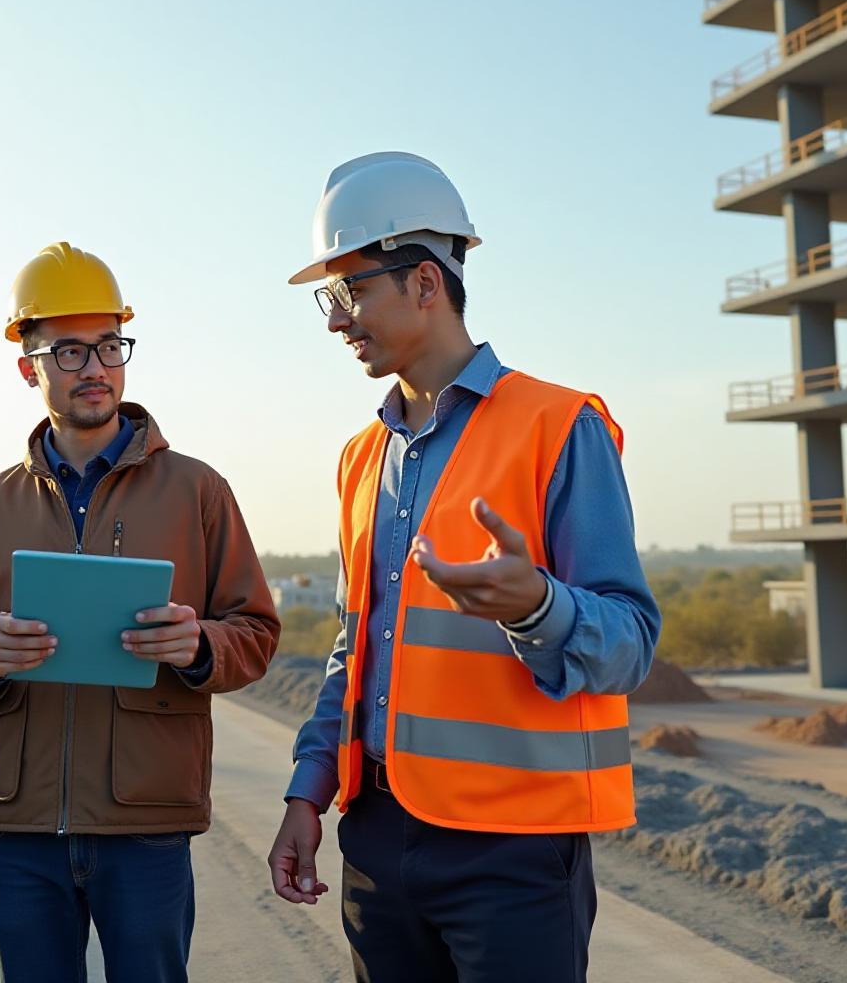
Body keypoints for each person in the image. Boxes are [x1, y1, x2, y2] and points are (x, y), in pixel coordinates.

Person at [265, 152, 662, 982]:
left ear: (424, 283)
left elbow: (630, 643)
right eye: (327, 300)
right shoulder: (360, 459)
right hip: (375, 837)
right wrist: (309, 792)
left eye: (351, 292)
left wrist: (538, 608)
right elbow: (356, 646)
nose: (336, 321)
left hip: (511, 857)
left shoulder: (561, 426)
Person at [0, 242, 280, 983]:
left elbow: (255, 633)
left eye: (110, 346)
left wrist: (198, 644)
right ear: (29, 366)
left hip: (145, 822)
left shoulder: (198, 491)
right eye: (70, 351)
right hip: (20, 828)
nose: (95, 367)